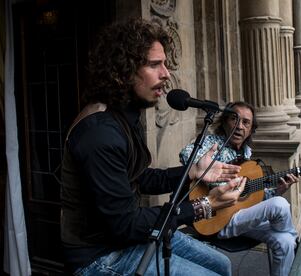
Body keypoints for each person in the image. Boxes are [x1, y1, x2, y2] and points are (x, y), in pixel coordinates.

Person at [60, 18, 247, 276]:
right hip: (99, 254)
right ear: (123, 70)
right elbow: (124, 225)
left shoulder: (123, 115)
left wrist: (193, 171)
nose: (166, 74)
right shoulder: (100, 133)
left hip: (126, 238)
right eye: (154, 64)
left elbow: (141, 177)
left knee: (223, 264)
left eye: (165, 64)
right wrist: (205, 205)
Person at [179, 102, 299, 276]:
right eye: (234, 119)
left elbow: (253, 198)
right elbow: (185, 154)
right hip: (216, 219)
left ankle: (292, 240)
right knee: (280, 205)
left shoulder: (247, 154)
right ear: (224, 121)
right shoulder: (212, 142)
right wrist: (221, 183)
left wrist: (278, 190)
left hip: (241, 217)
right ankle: (300, 246)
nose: (239, 126)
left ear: (250, 130)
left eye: (245, 122)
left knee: (285, 241)